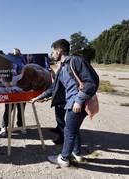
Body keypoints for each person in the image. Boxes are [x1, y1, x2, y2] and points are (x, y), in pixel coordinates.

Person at [47, 39, 99, 167]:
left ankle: (64, 159)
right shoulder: (63, 66)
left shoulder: (75, 61)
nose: (52, 54)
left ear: (59, 51)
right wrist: (39, 97)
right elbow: (54, 88)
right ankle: (78, 154)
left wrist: (79, 100)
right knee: (73, 129)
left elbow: (92, 82)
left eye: (53, 51)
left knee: (69, 130)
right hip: (72, 102)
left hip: (76, 104)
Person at [30, 61, 66, 145]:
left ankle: (62, 138)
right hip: (60, 99)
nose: (56, 65)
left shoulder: (62, 74)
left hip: (61, 100)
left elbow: (52, 88)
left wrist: (38, 97)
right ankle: (59, 129)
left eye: (57, 64)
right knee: (59, 118)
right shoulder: (63, 72)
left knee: (60, 119)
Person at [0, 48, 27, 136]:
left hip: (20, 88)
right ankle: (4, 126)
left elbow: (24, 70)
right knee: (8, 109)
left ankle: (21, 125)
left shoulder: (21, 61)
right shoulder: (6, 61)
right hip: (10, 90)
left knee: (21, 109)